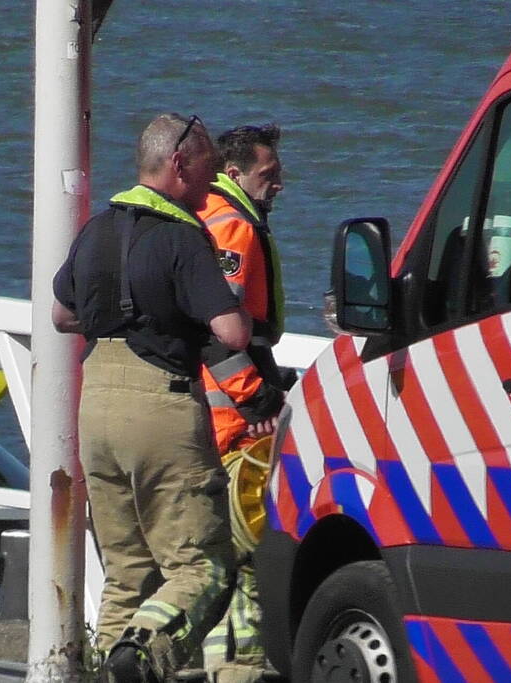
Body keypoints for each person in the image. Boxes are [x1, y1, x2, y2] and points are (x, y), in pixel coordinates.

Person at [52, 113, 251, 683]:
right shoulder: (182, 235)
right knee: (201, 568)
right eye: (210, 167)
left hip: (97, 406)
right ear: (179, 163)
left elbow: (62, 314)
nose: (215, 181)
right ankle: (139, 659)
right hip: (160, 405)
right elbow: (232, 333)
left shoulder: (96, 230)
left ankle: (110, 667)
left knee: (127, 573)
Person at [197, 124, 292, 683]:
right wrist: (261, 401)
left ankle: (220, 669)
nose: (279, 185)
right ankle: (245, 671)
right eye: (269, 175)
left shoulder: (205, 215)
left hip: (212, 415)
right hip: (232, 422)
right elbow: (226, 331)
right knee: (249, 556)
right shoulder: (233, 225)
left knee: (216, 563)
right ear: (234, 174)